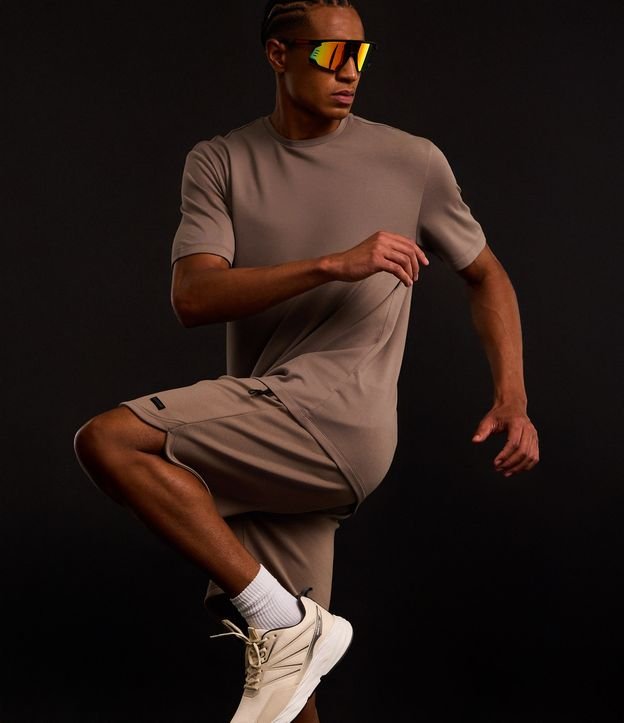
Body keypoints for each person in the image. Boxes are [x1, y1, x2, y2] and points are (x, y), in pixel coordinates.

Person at [73, 1, 540, 720]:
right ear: (277, 55)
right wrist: (332, 264)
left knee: (107, 440)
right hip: (268, 419)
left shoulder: (411, 160)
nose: (350, 72)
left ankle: (285, 620)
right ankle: (288, 627)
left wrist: (513, 397)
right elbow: (193, 296)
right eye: (330, 55)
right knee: (287, 686)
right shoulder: (221, 160)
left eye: (361, 54)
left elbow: (487, 274)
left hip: (336, 419)